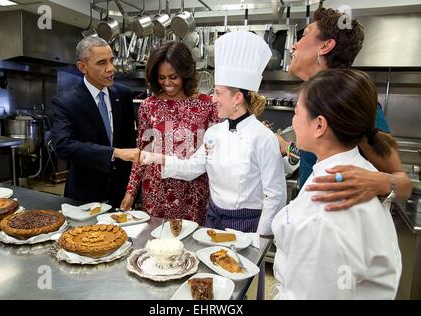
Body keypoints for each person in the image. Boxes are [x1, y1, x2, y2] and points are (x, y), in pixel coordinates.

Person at [272, 69, 402, 299]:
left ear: (319, 125)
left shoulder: (326, 209)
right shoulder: (351, 169)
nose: (293, 120)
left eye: (296, 112)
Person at [142, 32, 286, 235]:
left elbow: (276, 194)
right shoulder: (213, 133)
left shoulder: (263, 138)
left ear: (237, 98)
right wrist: (160, 159)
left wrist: (260, 238)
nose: (212, 99)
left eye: (217, 93)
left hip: (247, 225)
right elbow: (194, 167)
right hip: (213, 218)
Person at [278, 7, 412, 210]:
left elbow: (404, 185)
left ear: (325, 46)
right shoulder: (312, 99)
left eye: (303, 35)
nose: (294, 45)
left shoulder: (348, 101)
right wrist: (287, 147)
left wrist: (378, 182)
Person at [120, 41, 218, 225]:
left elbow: (213, 154)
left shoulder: (207, 105)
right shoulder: (149, 106)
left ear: (186, 73)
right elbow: (142, 153)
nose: (167, 83)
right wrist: (130, 193)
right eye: (161, 77)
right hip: (156, 191)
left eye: (173, 77)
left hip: (194, 191)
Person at [51, 36, 139, 207]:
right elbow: (63, 146)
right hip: (84, 196)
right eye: (101, 63)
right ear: (82, 67)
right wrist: (114, 153)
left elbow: (129, 143)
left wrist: (132, 190)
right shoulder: (66, 102)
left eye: (111, 61)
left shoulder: (123, 95)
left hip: (120, 194)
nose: (111, 68)